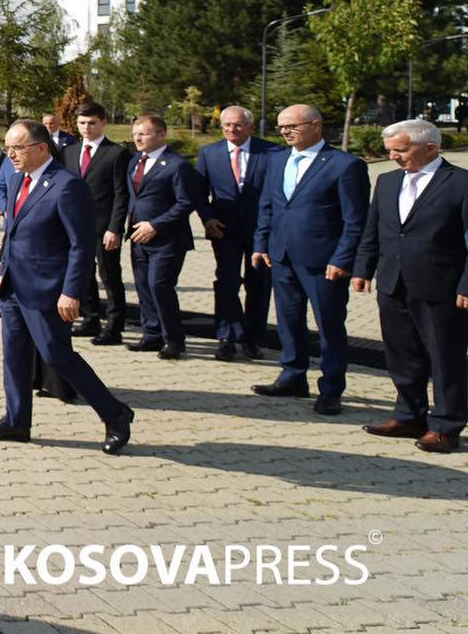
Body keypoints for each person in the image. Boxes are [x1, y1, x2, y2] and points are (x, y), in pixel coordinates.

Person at [0, 119, 134, 454]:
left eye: (17, 148)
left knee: (57, 356)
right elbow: (15, 230)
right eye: (7, 147)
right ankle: (17, 421)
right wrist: (4, 266)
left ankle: (115, 413)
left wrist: (71, 291)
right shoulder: (18, 180)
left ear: (41, 148)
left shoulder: (66, 186)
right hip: (14, 286)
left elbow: (81, 245)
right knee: (14, 356)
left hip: (48, 289)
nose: (11, 154)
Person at [352, 119, 468, 453]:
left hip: (441, 286)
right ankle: (409, 415)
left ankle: (446, 426)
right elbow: (373, 230)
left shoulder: (460, 183)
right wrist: (364, 268)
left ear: (430, 147)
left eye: (400, 150)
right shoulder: (387, 182)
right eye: (389, 150)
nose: (393, 157)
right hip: (393, 281)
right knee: (402, 354)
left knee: (445, 358)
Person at [252, 104, 369, 415]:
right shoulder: (276, 160)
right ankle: (293, 376)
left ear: (315, 125)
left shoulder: (345, 165)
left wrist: (343, 258)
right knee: (289, 322)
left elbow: (355, 219)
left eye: (292, 125)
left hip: (324, 262)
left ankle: (331, 389)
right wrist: (261, 244)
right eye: (280, 127)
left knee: (329, 327)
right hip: (281, 257)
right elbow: (268, 206)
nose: (285, 132)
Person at [195, 105, 277, 360]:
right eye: (227, 125)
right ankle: (226, 336)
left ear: (251, 127)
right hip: (224, 230)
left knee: (259, 285)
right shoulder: (209, 153)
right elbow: (198, 192)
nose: (232, 129)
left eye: (238, 125)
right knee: (227, 283)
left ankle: (253, 339)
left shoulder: (273, 152)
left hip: (261, 231)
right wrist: (207, 218)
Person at [123, 113, 203, 359]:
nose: (138, 138)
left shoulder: (177, 165)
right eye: (135, 133)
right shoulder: (135, 161)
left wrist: (155, 225)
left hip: (167, 239)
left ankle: (174, 340)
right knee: (144, 287)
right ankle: (152, 335)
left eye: (144, 133)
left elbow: (185, 203)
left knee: (160, 287)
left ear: (161, 134)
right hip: (139, 238)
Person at [67, 101, 131, 345]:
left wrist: (115, 227)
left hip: (104, 227)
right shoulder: (70, 152)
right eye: (82, 123)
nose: (86, 128)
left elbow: (121, 194)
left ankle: (114, 327)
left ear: (103, 122)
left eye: (92, 123)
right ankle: (90, 318)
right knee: (83, 274)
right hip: (75, 225)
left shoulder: (116, 153)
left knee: (110, 277)